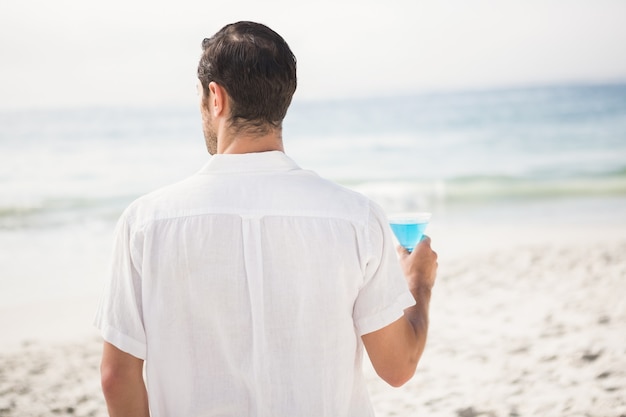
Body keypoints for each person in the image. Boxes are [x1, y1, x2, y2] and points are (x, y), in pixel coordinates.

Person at [95, 21, 438, 417]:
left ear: (216, 98)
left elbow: (116, 378)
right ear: (283, 101)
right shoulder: (356, 219)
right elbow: (398, 367)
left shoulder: (146, 222)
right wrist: (419, 281)